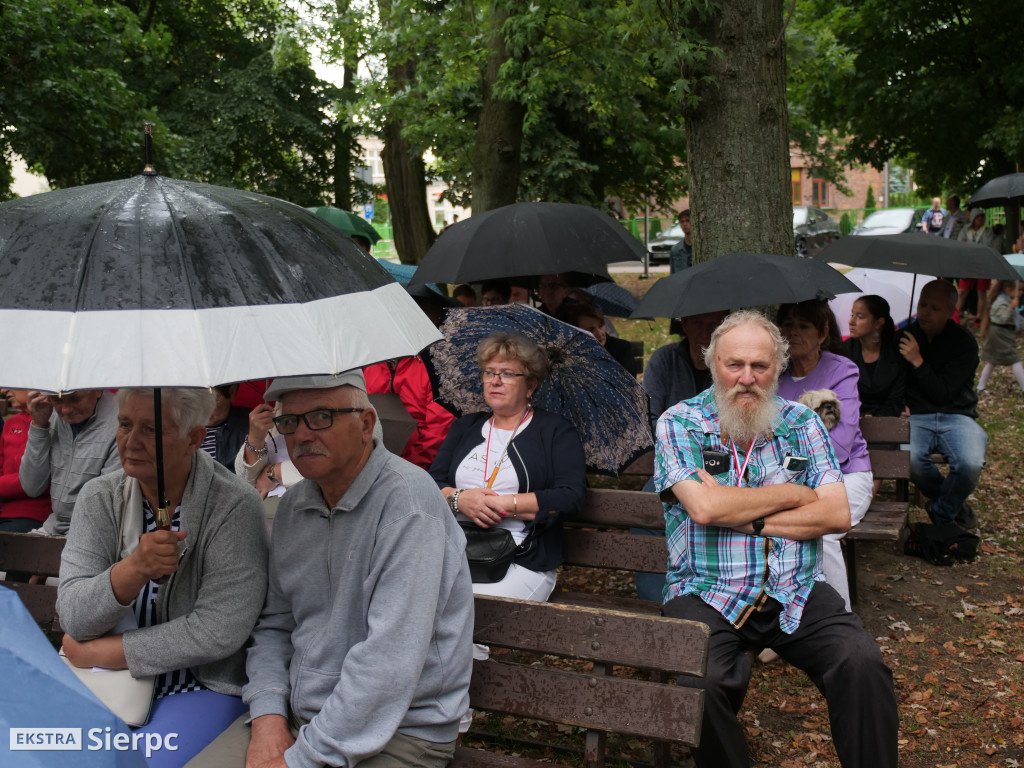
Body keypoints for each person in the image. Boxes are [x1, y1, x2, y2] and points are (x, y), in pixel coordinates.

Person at [190, 370, 473, 768]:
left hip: (400, 732)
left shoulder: (408, 503)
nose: (302, 434)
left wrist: (299, 760)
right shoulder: (293, 506)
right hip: (297, 714)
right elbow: (274, 626)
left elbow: (388, 663)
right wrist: (269, 716)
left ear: (366, 424)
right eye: (288, 422)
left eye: (321, 417)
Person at [655, 310, 898, 768]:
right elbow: (704, 509)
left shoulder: (803, 423)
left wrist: (751, 518)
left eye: (760, 367)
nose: (747, 378)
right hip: (707, 589)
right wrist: (791, 494)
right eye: (735, 365)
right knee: (698, 685)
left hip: (795, 585)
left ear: (777, 368)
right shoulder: (680, 423)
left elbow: (837, 512)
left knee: (862, 662)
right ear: (714, 365)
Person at [57, 388, 269, 767]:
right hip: (100, 683)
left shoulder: (234, 504)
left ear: (193, 439)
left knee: (132, 763)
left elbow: (219, 629)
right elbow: (73, 615)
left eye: (151, 429)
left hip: (197, 685)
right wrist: (134, 568)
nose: (131, 441)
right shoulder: (99, 497)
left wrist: (103, 652)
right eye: (124, 424)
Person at [429, 332, 586, 605]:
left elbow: (570, 495)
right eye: (489, 372)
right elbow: (431, 481)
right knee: (418, 605)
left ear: (530, 385)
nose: (495, 381)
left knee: (466, 612)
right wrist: (460, 499)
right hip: (455, 550)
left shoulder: (555, 431)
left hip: (522, 556)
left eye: (508, 374)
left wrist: (504, 504)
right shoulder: (465, 426)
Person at [776, 300, 874, 611]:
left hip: (847, 475)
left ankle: (841, 623)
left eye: (803, 326)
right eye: (788, 324)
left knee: (823, 532)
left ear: (823, 333)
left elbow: (841, 445)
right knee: (773, 530)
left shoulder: (841, 371)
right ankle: (785, 621)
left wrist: (790, 457)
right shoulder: (774, 376)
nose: (793, 332)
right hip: (791, 481)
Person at [634, 310, 727, 602]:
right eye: (698, 322)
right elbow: (650, 417)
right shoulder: (665, 360)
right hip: (674, 463)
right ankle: (657, 602)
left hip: (725, 465)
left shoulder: (730, 363)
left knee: (716, 515)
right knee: (645, 512)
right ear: (684, 324)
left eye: (713, 324)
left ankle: (712, 595)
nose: (705, 331)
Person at [900, 279, 987, 530]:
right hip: (917, 416)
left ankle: (942, 511)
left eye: (935, 308)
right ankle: (954, 506)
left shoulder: (964, 343)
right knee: (912, 461)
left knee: (970, 463)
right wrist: (899, 404)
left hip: (957, 415)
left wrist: (918, 361)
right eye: (923, 304)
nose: (925, 311)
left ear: (951, 311)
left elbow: (944, 393)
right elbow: (894, 381)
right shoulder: (904, 337)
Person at [19, 389, 120, 534]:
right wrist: (39, 425)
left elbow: (103, 506)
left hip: (97, 531)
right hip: (54, 525)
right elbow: (32, 486)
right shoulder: (49, 413)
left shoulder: (120, 421)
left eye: (75, 399)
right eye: (57, 400)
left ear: (97, 390)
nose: (65, 410)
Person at [363, 356, 455, 469]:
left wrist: (404, 465)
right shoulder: (369, 363)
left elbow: (438, 428)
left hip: (417, 465)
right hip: (372, 457)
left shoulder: (435, 366)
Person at [843, 295, 907, 417]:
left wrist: (876, 417)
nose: (851, 322)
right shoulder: (844, 351)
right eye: (852, 315)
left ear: (878, 323)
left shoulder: (895, 354)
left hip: (885, 422)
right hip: (850, 419)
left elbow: (896, 399)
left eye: (860, 317)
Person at [0, 389, 52, 532]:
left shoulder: (56, 420)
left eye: (15, 382)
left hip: (34, 515)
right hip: (5, 511)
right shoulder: (11, 423)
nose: (3, 390)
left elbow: (43, 479)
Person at [564, 303, 638, 377]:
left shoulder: (621, 348)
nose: (599, 333)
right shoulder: (571, 354)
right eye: (591, 329)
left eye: (601, 326)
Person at [977, 280, 1024, 395]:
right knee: (1015, 359)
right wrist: (1011, 307)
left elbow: (1017, 320)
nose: (1021, 293)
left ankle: (980, 387)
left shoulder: (1009, 300)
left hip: (1004, 334)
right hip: (999, 334)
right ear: (1008, 289)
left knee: (992, 361)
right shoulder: (1001, 301)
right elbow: (1003, 318)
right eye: (1019, 290)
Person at [956, 209, 996, 324]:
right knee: (962, 290)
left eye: (982, 217)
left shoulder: (987, 231)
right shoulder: (966, 230)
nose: (980, 220)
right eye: (978, 217)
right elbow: (960, 243)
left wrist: (969, 245)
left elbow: (987, 246)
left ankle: (979, 316)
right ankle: (956, 312)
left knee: (981, 291)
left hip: (982, 264)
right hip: (968, 263)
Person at [202, 384, 250, 472]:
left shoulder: (252, 425)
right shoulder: (180, 429)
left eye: (211, 398)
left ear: (232, 392)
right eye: (195, 399)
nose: (203, 407)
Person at [668, 209, 693, 273]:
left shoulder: (702, 246)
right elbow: (673, 273)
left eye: (688, 221)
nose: (685, 224)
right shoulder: (675, 250)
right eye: (682, 221)